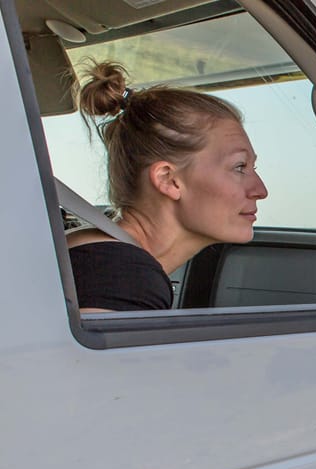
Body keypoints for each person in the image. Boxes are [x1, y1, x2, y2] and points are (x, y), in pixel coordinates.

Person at [67, 61, 268, 312]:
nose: (260, 190)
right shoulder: (124, 279)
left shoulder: (90, 252)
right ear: (167, 180)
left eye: (253, 168)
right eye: (239, 167)